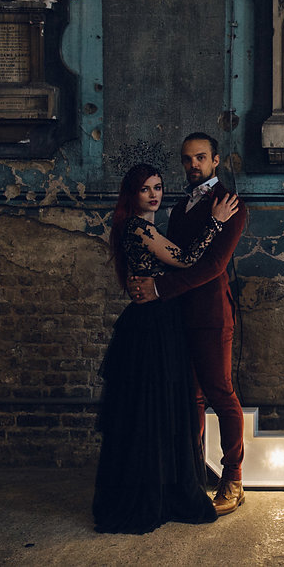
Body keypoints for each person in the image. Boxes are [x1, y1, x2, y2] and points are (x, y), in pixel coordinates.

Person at [93, 162, 240, 534]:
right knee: (153, 408)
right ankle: (155, 492)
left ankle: (163, 485)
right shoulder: (140, 228)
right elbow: (188, 259)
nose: (155, 194)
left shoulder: (146, 227)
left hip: (156, 322)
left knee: (154, 409)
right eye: (145, 189)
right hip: (152, 325)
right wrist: (217, 222)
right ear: (132, 194)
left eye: (158, 187)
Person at [128, 133, 248, 516]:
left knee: (221, 394)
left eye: (200, 158)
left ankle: (233, 480)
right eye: (186, 160)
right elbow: (177, 258)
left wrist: (159, 288)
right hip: (177, 315)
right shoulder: (180, 208)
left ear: (216, 161)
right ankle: (191, 477)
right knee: (191, 400)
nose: (192, 165)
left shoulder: (230, 204)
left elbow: (212, 267)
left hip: (211, 315)